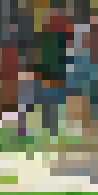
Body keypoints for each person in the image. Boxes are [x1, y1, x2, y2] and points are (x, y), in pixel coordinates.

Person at [17, 12, 68, 140]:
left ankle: (48, 132)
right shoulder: (46, 37)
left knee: (47, 105)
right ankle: (26, 131)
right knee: (37, 103)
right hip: (42, 75)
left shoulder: (61, 39)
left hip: (49, 76)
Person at [65, 6, 98, 136]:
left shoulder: (87, 31)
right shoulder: (79, 31)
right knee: (79, 96)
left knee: (87, 97)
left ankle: (86, 126)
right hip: (80, 68)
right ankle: (79, 126)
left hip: (86, 68)